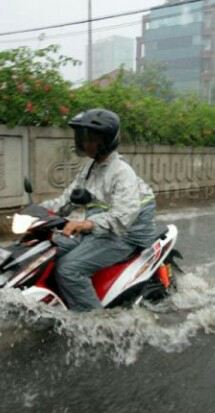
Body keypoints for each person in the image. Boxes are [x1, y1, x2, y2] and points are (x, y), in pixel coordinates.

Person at [40, 108, 157, 311]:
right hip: (98, 230)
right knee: (49, 249)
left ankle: (96, 322)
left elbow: (123, 217)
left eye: (93, 139)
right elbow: (67, 199)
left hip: (124, 236)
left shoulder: (121, 172)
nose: (87, 144)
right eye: (85, 138)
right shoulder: (89, 169)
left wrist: (86, 224)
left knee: (68, 269)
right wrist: (36, 212)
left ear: (107, 141)